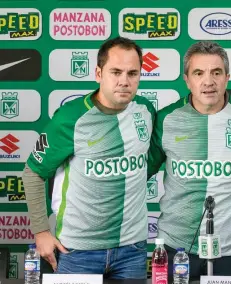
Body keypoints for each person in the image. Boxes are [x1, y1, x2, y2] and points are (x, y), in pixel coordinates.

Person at [22, 36, 155, 279]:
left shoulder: (145, 110)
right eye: (116, 72)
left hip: (132, 248)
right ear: (98, 73)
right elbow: (33, 173)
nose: (124, 81)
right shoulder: (70, 118)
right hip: (77, 250)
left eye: (132, 73)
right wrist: (41, 231)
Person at [147, 41, 231, 278]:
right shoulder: (166, 119)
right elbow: (137, 174)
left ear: (227, 77)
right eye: (199, 73)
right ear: (187, 79)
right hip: (176, 246)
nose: (208, 81)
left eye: (216, 72)